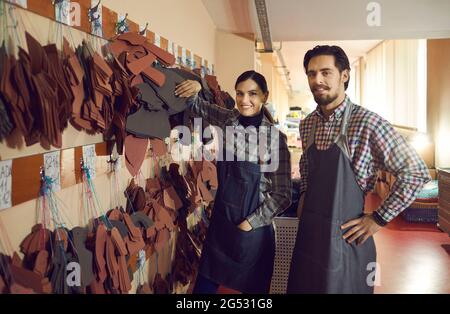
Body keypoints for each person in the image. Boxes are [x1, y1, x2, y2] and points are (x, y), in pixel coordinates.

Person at [287, 45, 431, 294]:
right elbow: (307, 169)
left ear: (344, 75)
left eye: (326, 72)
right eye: (311, 74)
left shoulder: (368, 123)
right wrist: (303, 197)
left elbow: (416, 172)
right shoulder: (308, 123)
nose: (317, 80)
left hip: (345, 244)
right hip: (309, 239)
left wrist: (378, 218)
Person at [175, 70, 292, 294]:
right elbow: (196, 106)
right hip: (221, 224)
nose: (244, 100)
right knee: (203, 289)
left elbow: (282, 194)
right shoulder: (227, 120)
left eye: (252, 94)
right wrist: (198, 86)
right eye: (240, 93)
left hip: (253, 232)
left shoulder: (274, 139)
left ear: (264, 96)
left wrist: (249, 223)